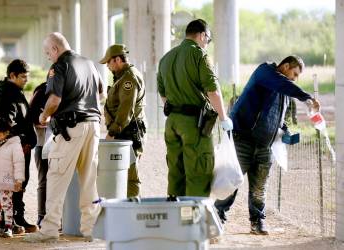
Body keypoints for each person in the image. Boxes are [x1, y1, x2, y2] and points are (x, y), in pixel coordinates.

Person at [214, 55, 321, 235]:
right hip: (242, 140)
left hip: (265, 145)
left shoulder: (285, 90)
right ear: (285, 66)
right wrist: (307, 98)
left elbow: (280, 117)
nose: (295, 79)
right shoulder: (264, 72)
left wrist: (285, 130)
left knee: (259, 188)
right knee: (231, 181)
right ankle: (217, 219)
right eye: (294, 74)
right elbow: (282, 84)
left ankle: (257, 222)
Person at [24, 32, 102, 243]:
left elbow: (54, 100)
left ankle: (49, 230)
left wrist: (44, 115)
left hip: (70, 129)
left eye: (47, 52)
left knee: (57, 178)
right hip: (93, 126)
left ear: (55, 49)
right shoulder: (89, 63)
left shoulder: (59, 66)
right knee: (89, 180)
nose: (48, 56)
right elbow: (101, 94)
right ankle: (90, 229)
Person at [157, 19, 232, 198]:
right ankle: (193, 222)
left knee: (176, 173)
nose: (207, 43)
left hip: (172, 123)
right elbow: (212, 90)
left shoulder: (166, 58)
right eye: (208, 39)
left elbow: (163, 93)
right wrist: (223, 118)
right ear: (201, 35)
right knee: (198, 174)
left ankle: (175, 221)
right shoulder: (199, 55)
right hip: (194, 124)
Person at [0, 59, 38, 233]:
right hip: (14, 148)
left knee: (19, 182)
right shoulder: (7, 94)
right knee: (11, 183)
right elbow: (5, 124)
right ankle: (7, 222)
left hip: (20, 146)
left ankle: (17, 218)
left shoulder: (15, 92)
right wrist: (21, 142)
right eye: (23, 77)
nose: (26, 79)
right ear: (12, 75)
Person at [99, 44, 146, 197]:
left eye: (108, 62)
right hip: (124, 132)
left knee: (130, 176)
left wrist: (112, 132)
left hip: (127, 132)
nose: (107, 66)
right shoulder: (123, 76)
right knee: (122, 173)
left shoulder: (128, 79)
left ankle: (132, 211)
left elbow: (126, 109)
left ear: (117, 59)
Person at [29, 81, 52, 228]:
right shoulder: (43, 94)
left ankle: (44, 216)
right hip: (43, 144)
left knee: (45, 182)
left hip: (46, 145)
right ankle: (42, 216)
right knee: (44, 181)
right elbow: (35, 121)